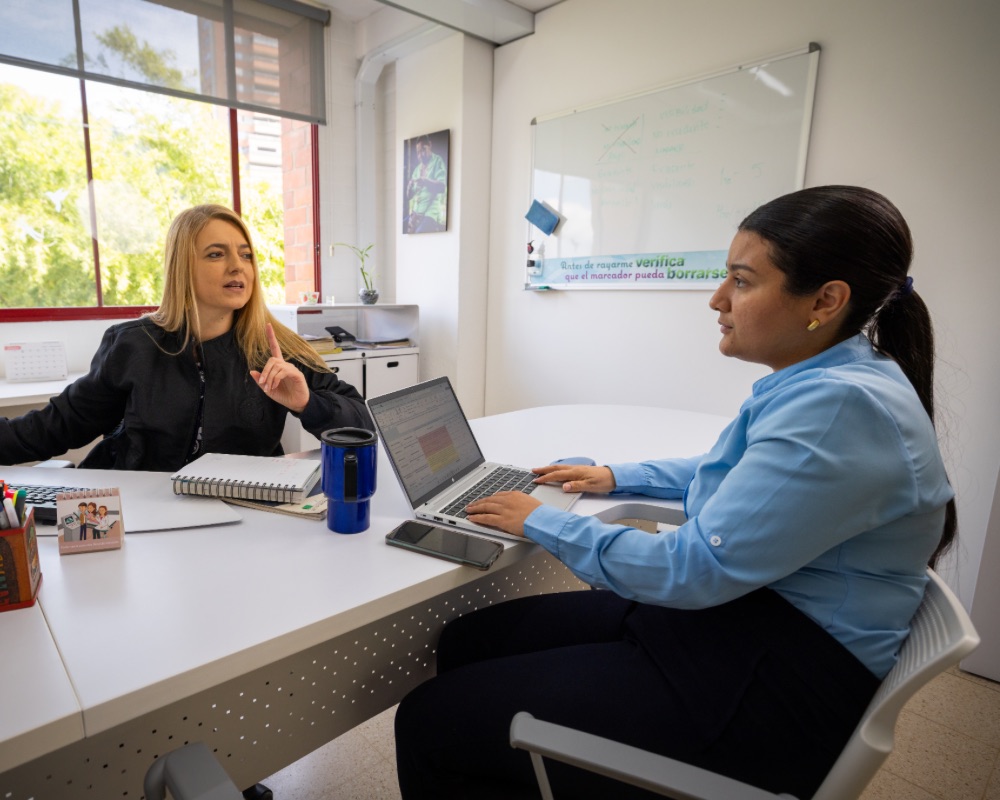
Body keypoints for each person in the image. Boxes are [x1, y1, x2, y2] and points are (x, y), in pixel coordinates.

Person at [393, 186, 957, 799]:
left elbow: (693, 570)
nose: (717, 300)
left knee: (430, 719)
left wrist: (541, 521)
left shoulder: (839, 406)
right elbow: (741, 473)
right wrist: (616, 476)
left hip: (775, 683)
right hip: (751, 620)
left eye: (741, 282)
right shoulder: (839, 378)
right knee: (466, 641)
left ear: (825, 300)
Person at [0, 204, 371, 471]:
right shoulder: (133, 345)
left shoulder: (274, 347)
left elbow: (362, 422)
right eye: (215, 254)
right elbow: (56, 426)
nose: (237, 266)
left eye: (245, 255)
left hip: (242, 513)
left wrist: (308, 403)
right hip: (142, 512)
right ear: (182, 266)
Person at [405, 135, 447, 233]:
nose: (421, 155)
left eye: (423, 149)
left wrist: (425, 181)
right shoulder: (417, 170)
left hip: (430, 213)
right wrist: (409, 188)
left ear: (430, 145)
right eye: (418, 152)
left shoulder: (437, 161)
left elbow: (442, 187)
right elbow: (409, 196)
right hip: (416, 214)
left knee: (419, 232)